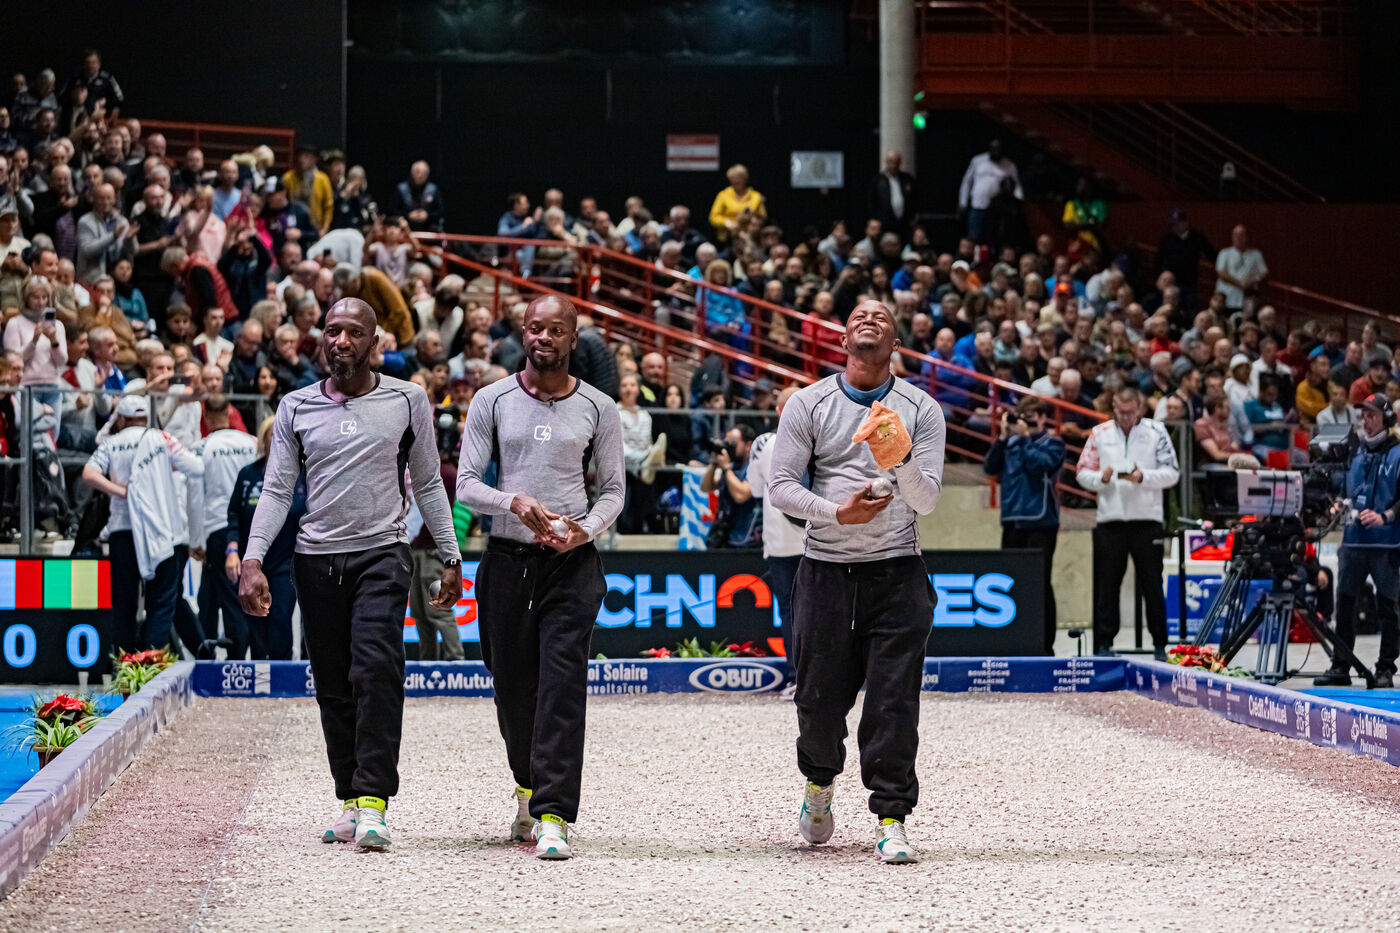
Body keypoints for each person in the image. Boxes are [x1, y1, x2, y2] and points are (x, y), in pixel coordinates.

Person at [239, 298, 463, 851]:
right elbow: (276, 490)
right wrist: (252, 558)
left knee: (375, 670)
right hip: (315, 559)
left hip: (382, 553)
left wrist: (452, 556)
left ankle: (374, 802)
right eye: (332, 330)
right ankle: (350, 799)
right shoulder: (295, 406)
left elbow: (428, 483)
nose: (340, 340)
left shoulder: (408, 399)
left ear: (375, 343)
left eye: (353, 332)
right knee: (334, 684)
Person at [768, 299, 946, 865]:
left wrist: (899, 455)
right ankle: (819, 782)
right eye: (856, 318)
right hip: (825, 570)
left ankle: (891, 818)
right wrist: (836, 513)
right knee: (818, 703)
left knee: (894, 704)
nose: (868, 320)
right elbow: (780, 486)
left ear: (896, 344)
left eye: (881, 318)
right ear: (842, 340)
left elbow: (927, 500)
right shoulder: (809, 403)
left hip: (897, 572)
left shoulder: (922, 408)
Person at [456, 294, 624, 861]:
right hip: (506, 561)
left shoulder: (599, 406)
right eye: (534, 328)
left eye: (555, 330)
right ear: (522, 333)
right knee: (511, 689)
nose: (542, 337)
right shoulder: (492, 399)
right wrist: (513, 500)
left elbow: (614, 490)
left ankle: (554, 814)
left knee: (561, 686)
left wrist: (585, 530)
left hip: (571, 565)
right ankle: (527, 785)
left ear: (573, 338)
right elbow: (466, 484)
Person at [82, 394, 204, 653]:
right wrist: (166, 468)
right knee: (160, 602)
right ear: (146, 417)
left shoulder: (112, 443)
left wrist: (120, 491)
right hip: (158, 530)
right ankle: (152, 665)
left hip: (122, 530)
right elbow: (196, 468)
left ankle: (124, 667)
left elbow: (89, 473)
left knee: (123, 604)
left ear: (121, 419)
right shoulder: (161, 439)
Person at [1075, 386, 1180, 659]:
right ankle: (1103, 644)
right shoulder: (1100, 433)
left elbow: (1172, 473)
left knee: (1152, 585)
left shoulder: (1157, 431)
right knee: (1107, 584)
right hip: (1111, 520)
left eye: (1129, 412)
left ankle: (1160, 644)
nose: (1124, 417)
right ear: (1113, 408)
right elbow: (1082, 472)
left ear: (1139, 409)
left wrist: (1144, 477)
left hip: (1147, 520)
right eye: (1120, 412)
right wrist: (1101, 478)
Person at [1315, 394, 1400, 688]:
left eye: (1372, 415)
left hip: (1386, 544)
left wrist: (1385, 516)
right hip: (1353, 542)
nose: (1366, 420)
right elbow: (1343, 490)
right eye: (1363, 415)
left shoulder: (1398, 453)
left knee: (1388, 608)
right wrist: (1337, 505)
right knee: (1345, 605)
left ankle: (1385, 668)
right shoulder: (1354, 452)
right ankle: (1341, 665)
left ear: (1387, 419)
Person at [983, 395, 1064, 655]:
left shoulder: (1053, 444)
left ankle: (1045, 644)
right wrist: (1003, 438)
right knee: (1012, 582)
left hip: (1042, 522)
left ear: (1043, 418)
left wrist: (1026, 438)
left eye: (1031, 419)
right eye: (1023, 419)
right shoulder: (1011, 443)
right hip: (1012, 521)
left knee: (1040, 582)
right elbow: (990, 467)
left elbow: (1040, 466)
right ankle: (1015, 641)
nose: (1026, 424)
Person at [225, 418, 304, 660]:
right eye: (272, 434)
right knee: (255, 616)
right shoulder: (248, 474)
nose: (278, 439)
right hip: (254, 559)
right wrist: (232, 551)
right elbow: (234, 515)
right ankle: (261, 668)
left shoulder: (302, 475)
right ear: (263, 440)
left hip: (286, 561)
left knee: (279, 615)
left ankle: (281, 667)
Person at [191, 395, 258, 659]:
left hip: (218, 529)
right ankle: (206, 653)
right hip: (251, 529)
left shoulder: (201, 448)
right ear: (230, 413)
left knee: (232, 599)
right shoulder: (251, 443)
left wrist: (196, 539)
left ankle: (236, 660)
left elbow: (195, 497)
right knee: (209, 595)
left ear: (205, 417)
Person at [746, 386, 806, 670]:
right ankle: (826, 679)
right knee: (824, 611)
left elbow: (756, 490)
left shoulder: (764, 443)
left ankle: (796, 677)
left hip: (781, 544)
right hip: (821, 540)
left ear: (778, 410)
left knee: (790, 610)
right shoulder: (823, 439)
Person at [700, 424, 758, 548]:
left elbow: (741, 495)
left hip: (743, 537)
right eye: (726, 443)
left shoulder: (755, 468)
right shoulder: (732, 468)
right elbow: (705, 487)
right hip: (723, 533)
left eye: (733, 444)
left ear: (748, 445)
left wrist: (726, 468)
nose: (728, 447)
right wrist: (713, 463)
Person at [958, 139, 1020, 243]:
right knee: (974, 237)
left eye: (998, 150)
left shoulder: (1009, 165)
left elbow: (1016, 185)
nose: (996, 152)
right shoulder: (977, 161)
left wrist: (1018, 204)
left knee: (993, 238)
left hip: (997, 209)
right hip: (978, 206)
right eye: (993, 149)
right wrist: (962, 202)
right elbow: (967, 181)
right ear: (989, 149)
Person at [1213, 224, 1267, 315]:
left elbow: (1264, 273)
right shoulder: (1224, 253)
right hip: (1227, 298)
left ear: (1247, 237)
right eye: (1235, 235)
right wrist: (1240, 283)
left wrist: (1252, 281)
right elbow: (1221, 272)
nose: (1238, 238)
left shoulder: (1256, 254)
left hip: (1247, 300)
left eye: (1241, 235)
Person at [708, 163, 765, 243]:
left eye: (738, 183)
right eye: (732, 183)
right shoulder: (723, 195)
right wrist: (729, 223)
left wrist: (754, 220)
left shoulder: (756, 196)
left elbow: (762, 217)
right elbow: (713, 217)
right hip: (728, 238)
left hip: (750, 238)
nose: (735, 186)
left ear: (745, 180)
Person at [870, 150, 916, 237]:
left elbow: (915, 200)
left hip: (904, 224)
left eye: (896, 163)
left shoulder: (907, 179)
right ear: (887, 162)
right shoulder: (878, 181)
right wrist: (875, 219)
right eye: (891, 162)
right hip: (885, 224)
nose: (894, 165)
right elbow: (872, 202)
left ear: (900, 163)